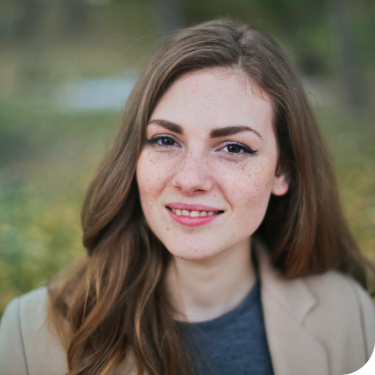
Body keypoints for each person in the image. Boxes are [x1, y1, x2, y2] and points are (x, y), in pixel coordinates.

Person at [0, 19, 374, 375]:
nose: (190, 179)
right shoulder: (30, 333)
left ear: (283, 172)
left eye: (233, 147)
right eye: (165, 140)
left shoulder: (348, 315)